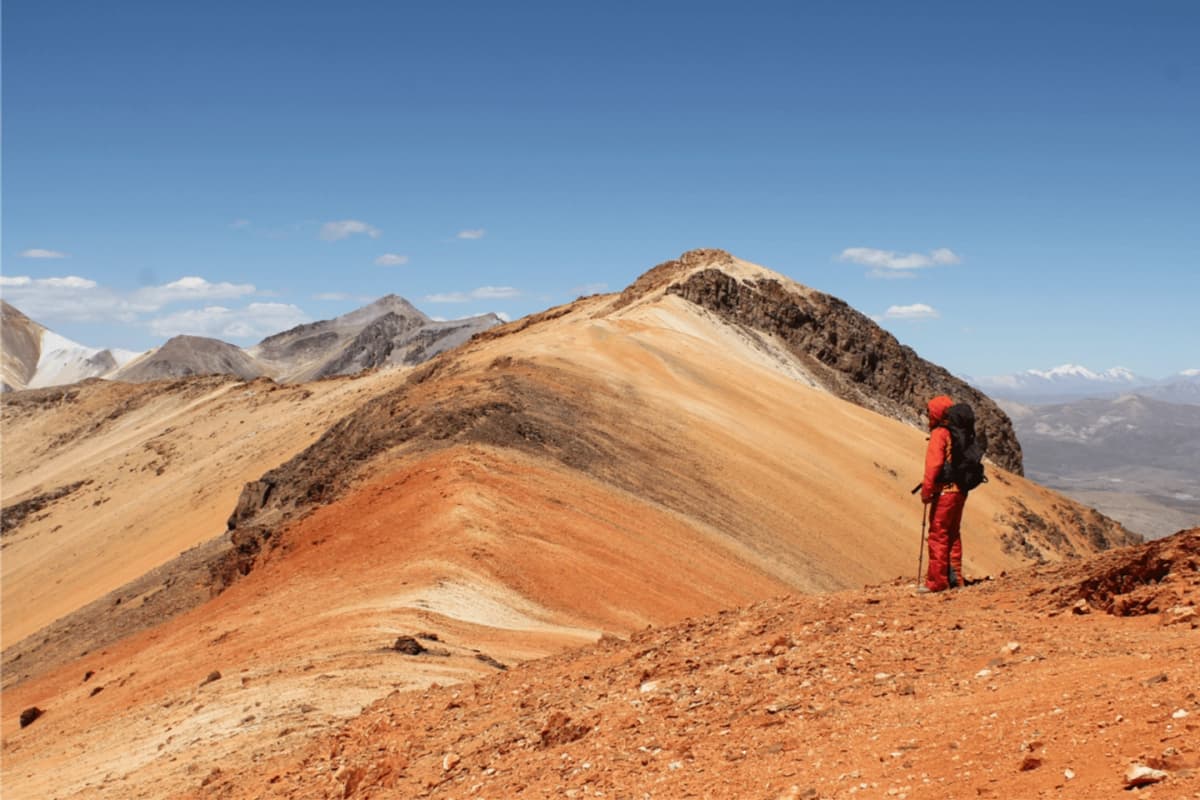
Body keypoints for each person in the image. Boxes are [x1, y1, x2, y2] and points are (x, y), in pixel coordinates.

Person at [920, 395, 966, 592]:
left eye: (930, 412)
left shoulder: (940, 434)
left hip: (945, 492)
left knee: (938, 534)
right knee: (953, 533)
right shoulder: (958, 433)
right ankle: (955, 579)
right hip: (960, 491)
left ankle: (938, 583)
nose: (928, 415)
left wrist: (926, 491)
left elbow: (934, 465)